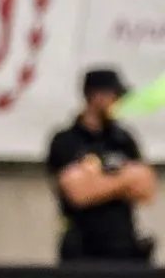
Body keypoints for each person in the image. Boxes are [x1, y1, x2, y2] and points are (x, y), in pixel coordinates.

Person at [46, 67, 157, 265]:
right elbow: (78, 193)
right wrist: (124, 180)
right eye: (113, 96)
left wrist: (97, 180)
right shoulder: (66, 140)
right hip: (83, 250)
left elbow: (146, 189)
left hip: (124, 249)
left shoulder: (123, 139)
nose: (118, 103)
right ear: (95, 96)